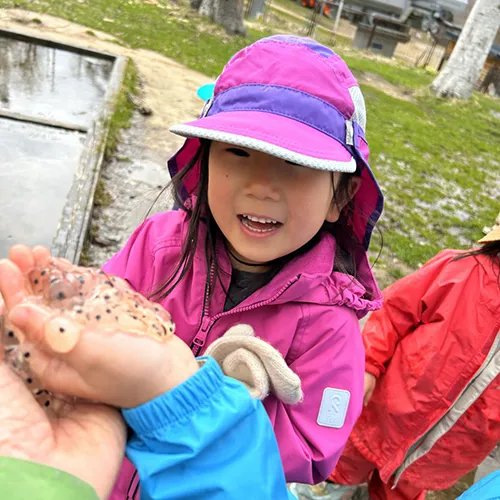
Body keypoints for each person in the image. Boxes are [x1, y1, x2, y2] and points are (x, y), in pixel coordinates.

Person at [97, 34, 384, 495]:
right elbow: (97, 315)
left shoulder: (330, 324)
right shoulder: (157, 245)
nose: (261, 187)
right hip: (102, 474)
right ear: (204, 159)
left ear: (342, 196)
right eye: (239, 152)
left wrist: (209, 399)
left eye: (296, 163)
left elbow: (314, 449)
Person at [0, 252, 295, 500]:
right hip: (106, 463)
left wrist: (207, 398)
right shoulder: (158, 242)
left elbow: (307, 451)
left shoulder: (324, 319)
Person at [322, 221, 500, 499]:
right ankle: (329, 487)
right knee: (342, 464)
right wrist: (369, 364)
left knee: (402, 489)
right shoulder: (461, 270)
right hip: (383, 414)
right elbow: (394, 313)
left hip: (442, 454)